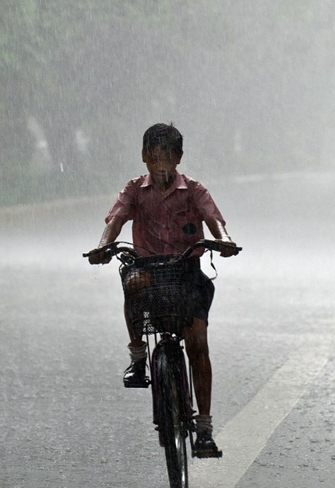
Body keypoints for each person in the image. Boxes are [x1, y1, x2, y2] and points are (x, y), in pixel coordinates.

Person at [86, 122, 238, 458]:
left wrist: (224, 241)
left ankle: (205, 429)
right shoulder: (134, 190)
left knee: (197, 343)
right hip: (150, 271)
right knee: (131, 282)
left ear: (179, 157)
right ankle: (138, 357)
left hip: (187, 272)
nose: (161, 167)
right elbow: (115, 220)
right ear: (143, 158)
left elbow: (215, 221)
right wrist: (102, 247)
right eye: (154, 159)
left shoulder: (194, 190)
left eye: (167, 158)